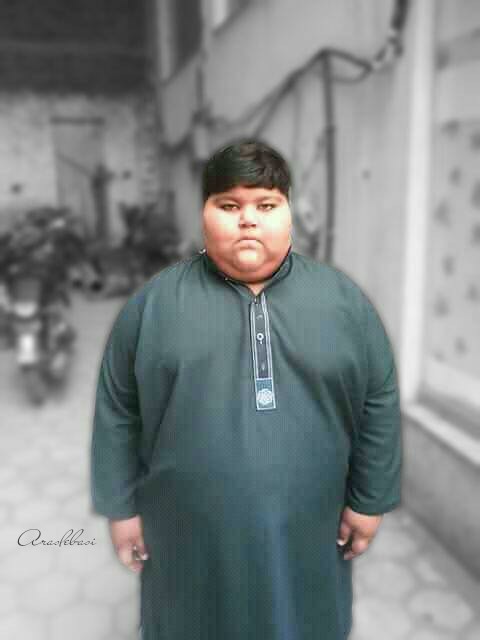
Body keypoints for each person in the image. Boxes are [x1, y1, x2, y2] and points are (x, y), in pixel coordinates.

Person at [90, 139, 402, 640]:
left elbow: (378, 400)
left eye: (266, 205)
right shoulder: (152, 307)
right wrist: (120, 509)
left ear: (289, 212)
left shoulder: (344, 304)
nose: (248, 220)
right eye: (230, 205)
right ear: (204, 213)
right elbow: (118, 409)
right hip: (186, 538)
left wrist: (370, 500)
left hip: (310, 534)